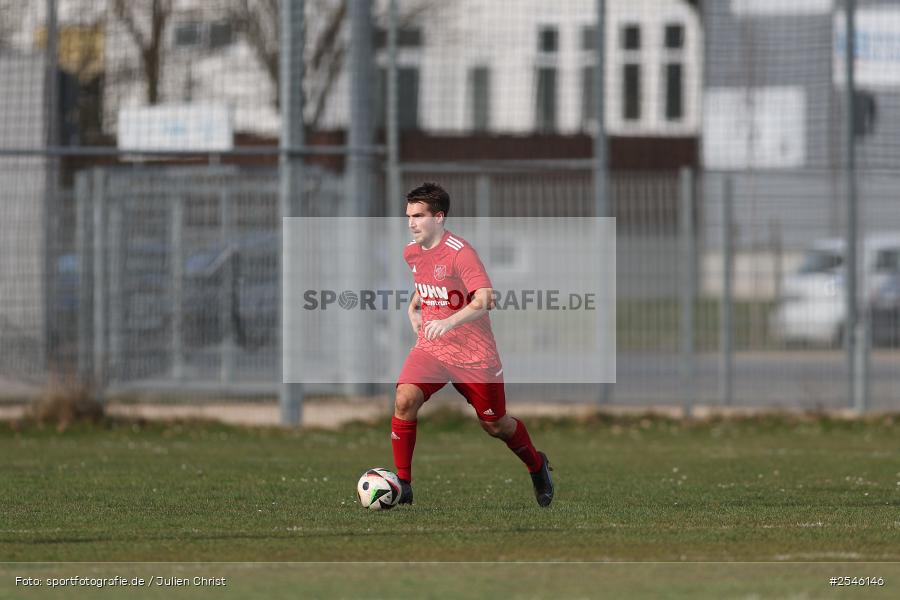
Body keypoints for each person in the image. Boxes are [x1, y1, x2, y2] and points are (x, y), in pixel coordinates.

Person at [391, 182, 554, 507]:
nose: (411, 222)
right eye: (409, 215)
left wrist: (448, 322)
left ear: (439, 217)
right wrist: (415, 305)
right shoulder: (411, 251)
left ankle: (537, 466)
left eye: (419, 216)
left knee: (495, 424)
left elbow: (485, 298)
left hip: (475, 357)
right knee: (404, 399)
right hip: (432, 349)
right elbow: (429, 284)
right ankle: (403, 486)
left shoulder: (460, 253)